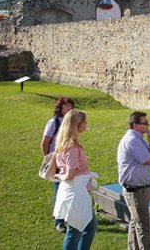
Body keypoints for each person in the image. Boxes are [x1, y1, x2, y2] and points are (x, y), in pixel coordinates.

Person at [53, 110, 97, 250]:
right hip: (75, 193)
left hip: (77, 191)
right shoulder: (71, 147)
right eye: (84, 122)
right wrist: (59, 177)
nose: (86, 124)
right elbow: (70, 174)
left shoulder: (67, 144)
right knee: (76, 230)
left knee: (89, 225)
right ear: (76, 125)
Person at [117, 111, 150, 250]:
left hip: (140, 189)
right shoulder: (133, 140)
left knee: (136, 222)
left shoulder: (138, 138)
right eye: (145, 123)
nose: (148, 125)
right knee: (143, 227)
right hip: (136, 191)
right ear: (135, 125)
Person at [42, 96, 75, 233]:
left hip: (70, 161)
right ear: (60, 108)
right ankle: (59, 222)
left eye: (70, 106)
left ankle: (69, 216)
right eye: (65, 106)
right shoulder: (54, 122)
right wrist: (48, 159)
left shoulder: (72, 122)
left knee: (69, 189)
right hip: (57, 161)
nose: (68, 108)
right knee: (59, 190)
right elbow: (45, 142)